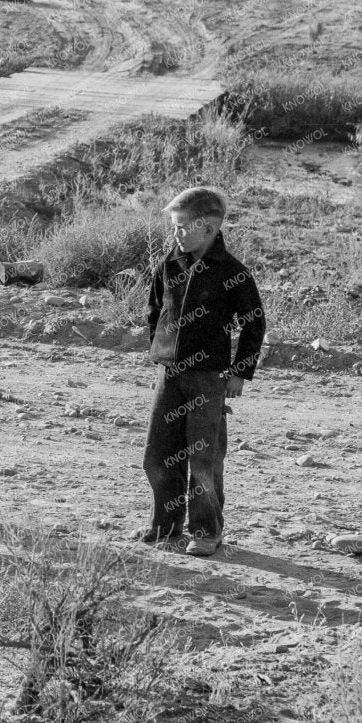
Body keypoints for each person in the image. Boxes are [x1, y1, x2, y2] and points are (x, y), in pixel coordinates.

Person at [140, 186, 265, 557]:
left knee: (204, 458)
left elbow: (254, 323)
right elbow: (154, 312)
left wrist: (240, 372)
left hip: (209, 378)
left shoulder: (233, 273)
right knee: (158, 454)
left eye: (181, 227)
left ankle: (207, 531)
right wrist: (158, 355)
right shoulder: (169, 264)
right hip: (169, 376)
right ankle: (165, 526)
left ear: (208, 229)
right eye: (174, 227)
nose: (175, 234)